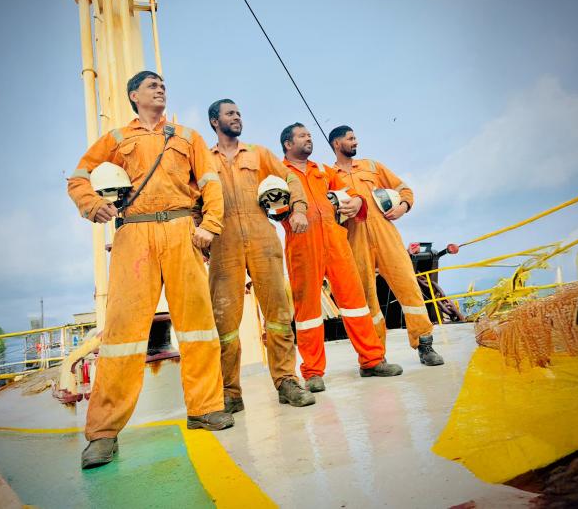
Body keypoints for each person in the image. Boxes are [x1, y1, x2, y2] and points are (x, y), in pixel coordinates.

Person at [67, 71, 233, 470]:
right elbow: (78, 178)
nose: (160, 89)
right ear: (133, 95)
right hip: (134, 234)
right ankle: (103, 433)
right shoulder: (116, 139)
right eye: (151, 86)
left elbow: (210, 184)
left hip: (181, 230)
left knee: (197, 325)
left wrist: (210, 225)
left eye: (162, 85)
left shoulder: (187, 137)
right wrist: (92, 205)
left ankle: (205, 408)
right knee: (122, 333)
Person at [207, 99, 315, 412]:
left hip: (261, 236)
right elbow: (193, 196)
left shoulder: (258, 153)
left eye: (239, 113)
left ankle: (286, 381)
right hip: (222, 241)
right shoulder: (203, 159)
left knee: (278, 314)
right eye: (230, 113)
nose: (237, 117)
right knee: (224, 323)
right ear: (215, 121)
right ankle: (230, 392)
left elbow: (290, 178)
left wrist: (298, 208)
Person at [280, 123, 403, 392]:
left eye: (309, 135)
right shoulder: (279, 173)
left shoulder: (323, 170)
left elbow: (352, 193)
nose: (309, 138)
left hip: (336, 241)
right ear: (288, 144)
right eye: (302, 136)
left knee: (356, 303)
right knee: (308, 312)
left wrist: (357, 201)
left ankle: (372, 360)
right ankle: (313, 373)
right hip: (302, 245)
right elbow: (271, 205)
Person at [329, 125, 444, 366]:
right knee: (366, 299)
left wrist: (403, 207)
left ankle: (425, 344)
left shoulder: (372, 166)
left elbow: (404, 189)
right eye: (350, 138)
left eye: (355, 137)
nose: (355, 141)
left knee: (408, 286)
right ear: (337, 144)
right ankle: (376, 355)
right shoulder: (329, 175)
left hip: (386, 235)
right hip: (355, 240)